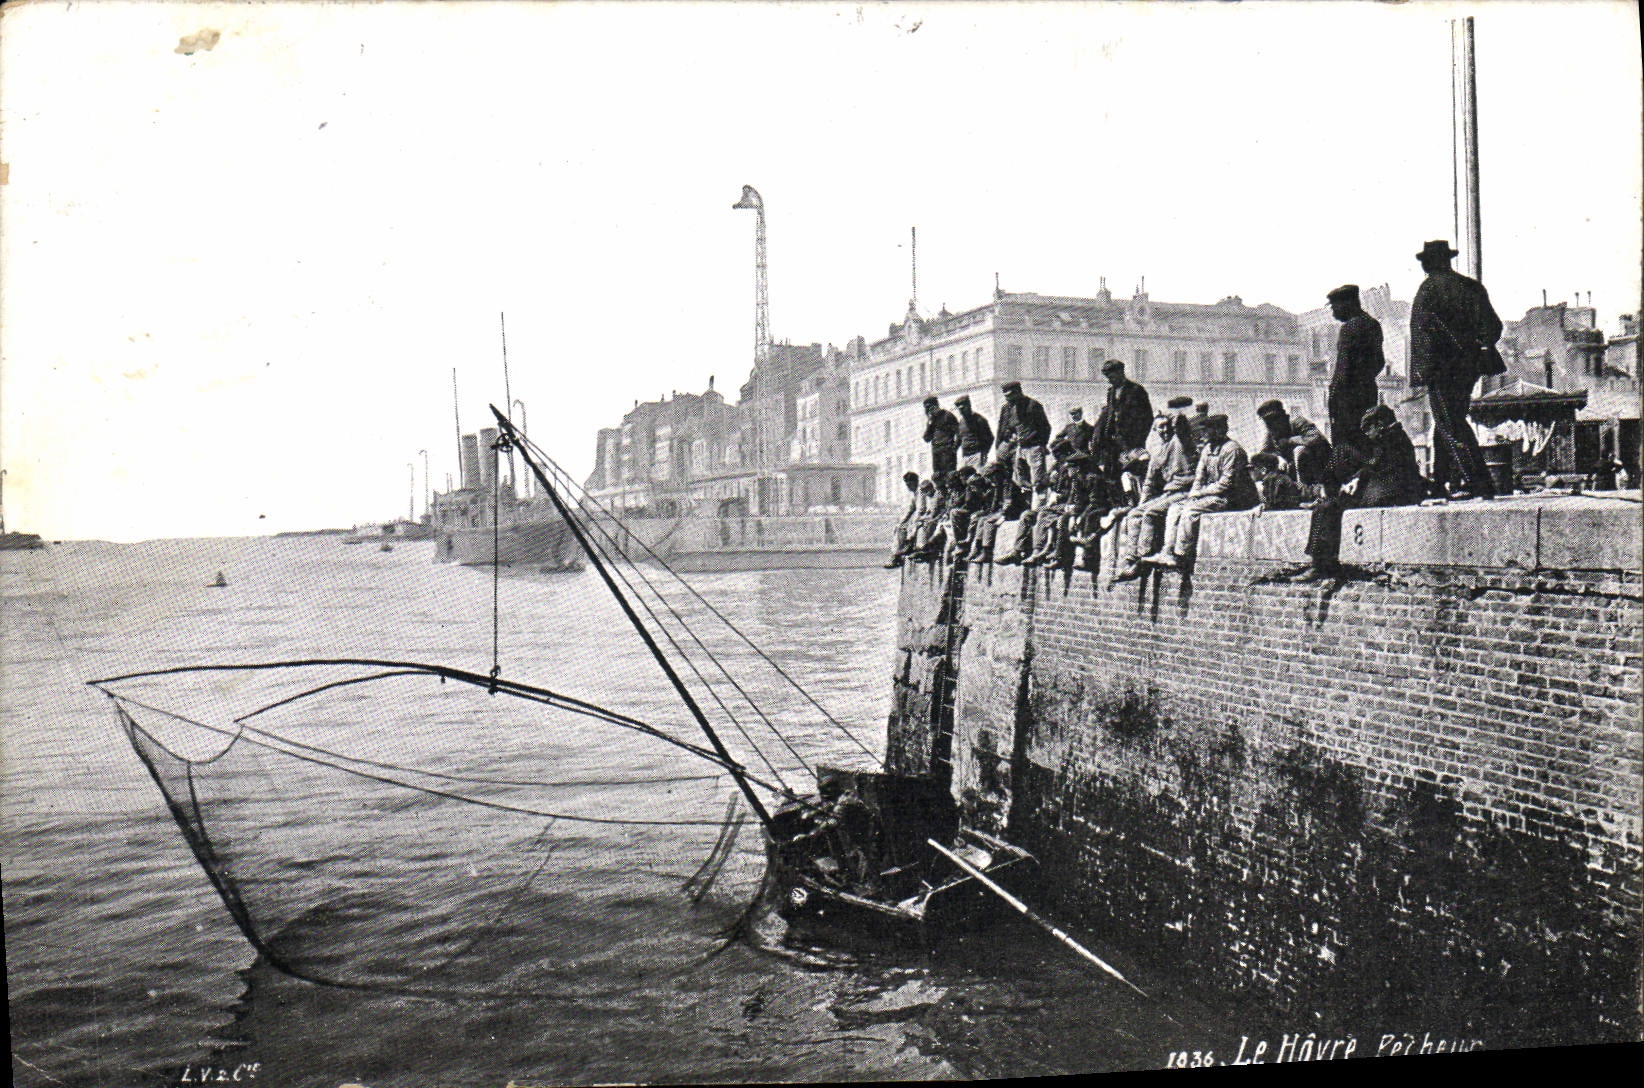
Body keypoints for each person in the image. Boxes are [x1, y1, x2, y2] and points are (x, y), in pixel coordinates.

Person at [1409, 239, 1506, 500]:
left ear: (1433, 261)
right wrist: (1473, 347)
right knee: (1446, 422)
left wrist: (1424, 374)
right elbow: (1494, 327)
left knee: (1451, 423)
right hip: (1468, 368)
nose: (1423, 266)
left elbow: (1422, 337)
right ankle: (1440, 482)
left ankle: (1481, 483)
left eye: (1425, 261)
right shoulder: (1471, 287)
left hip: (1440, 371)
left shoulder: (1428, 290)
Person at [1291, 405, 1426, 581]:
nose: (1367, 435)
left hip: (1388, 493)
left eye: (1368, 429)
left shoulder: (1390, 438)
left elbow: (1377, 468)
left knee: (1328, 507)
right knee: (1329, 502)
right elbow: (1376, 466)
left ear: (1379, 425)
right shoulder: (1394, 437)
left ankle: (1321, 565)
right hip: (1386, 490)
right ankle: (1322, 560)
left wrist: (1355, 483)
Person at [1142, 414, 1257, 569]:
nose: (1204, 434)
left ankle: (1181, 554)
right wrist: (1194, 493)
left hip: (1230, 497)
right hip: (1210, 495)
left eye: (1208, 430)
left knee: (1190, 511)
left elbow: (1226, 483)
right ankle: (1167, 551)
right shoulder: (1208, 449)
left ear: (1219, 430)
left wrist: (1200, 494)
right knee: (1176, 508)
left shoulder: (1232, 450)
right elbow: (1199, 477)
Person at [1112, 414, 1197, 582]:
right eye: (1161, 427)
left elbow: (1183, 427)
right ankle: (1130, 560)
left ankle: (1143, 559)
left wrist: (1176, 415)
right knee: (1135, 514)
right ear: (1155, 430)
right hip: (1168, 493)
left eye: (1167, 426)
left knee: (1151, 513)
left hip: (1184, 491)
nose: (1165, 430)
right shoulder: (1158, 453)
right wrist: (1141, 504)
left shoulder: (1180, 441)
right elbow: (1149, 483)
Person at [1326, 284, 1385, 468]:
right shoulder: (1373, 324)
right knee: (1366, 438)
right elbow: (1380, 362)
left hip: (1347, 397)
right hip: (1367, 391)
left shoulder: (1349, 328)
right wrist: (1364, 378)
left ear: (1348, 303)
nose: (1334, 312)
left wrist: (1334, 396)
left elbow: (1342, 369)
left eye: (1335, 306)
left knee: (1347, 445)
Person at [1256, 400, 1333, 500]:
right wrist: (1278, 458)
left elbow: (1316, 438)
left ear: (1284, 416)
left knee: (1299, 450)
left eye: (1275, 419)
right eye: (1268, 422)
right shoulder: (1272, 433)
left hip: (1318, 470)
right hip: (1292, 474)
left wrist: (1289, 441)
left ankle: (1309, 493)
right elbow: (1263, 454)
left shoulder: (1298, 422)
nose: (1272, 425)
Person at [1093, 359, 1153, 468]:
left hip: (1132, 443)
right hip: (1113, 444)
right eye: (1108, 378)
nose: (1109, 381)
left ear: (1121, 373)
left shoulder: (1137, 390)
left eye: (1112, 377)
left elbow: (1147, 419)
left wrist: (1137, 442)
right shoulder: (1111, 392)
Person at [995, 380, 1051, 493]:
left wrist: (1040, 444)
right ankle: (1025, 506)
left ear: (1018, 392)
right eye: (1006, 396)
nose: (1007, 399)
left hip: (1034, 447)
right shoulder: (1007, 408)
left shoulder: (1033, 405)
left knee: (1038, 480)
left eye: (1010, 395)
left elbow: (1045, 427)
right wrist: (1002, 443)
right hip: (1018, 448)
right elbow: (1002, 428)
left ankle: (1039, 508)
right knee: (1021, 480)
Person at [884, 470, 922, 568]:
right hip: (918, 518)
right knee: (900, 527)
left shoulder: (921, 492)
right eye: (907, 485)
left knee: (904, 529)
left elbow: (921, 510)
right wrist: (902, 522)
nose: (908, 487)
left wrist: (913, 522)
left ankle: (896, 556)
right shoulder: (915, 494)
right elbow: (910, 510)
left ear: (915, 482)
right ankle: (897, 555)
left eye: (910, 484)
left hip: (923, 518)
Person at [922, 396, 960, 479]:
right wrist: (930, 423)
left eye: (930, 407)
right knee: (938, 477)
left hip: (947, 451)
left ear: (936, 405)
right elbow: (926, 438)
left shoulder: (948, 416)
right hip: (936, 452)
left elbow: (959, 433)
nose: (928, 411)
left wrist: (954, 448)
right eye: (926, 409)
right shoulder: (932, 420)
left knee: (950, 476)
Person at [954, 394, 994, 470]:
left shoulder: (979, 420)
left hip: (977, 455)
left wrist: (984, 452)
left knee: (978, 477)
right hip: (965, 456)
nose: (961, 411)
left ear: (969, 405)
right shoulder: (961, 422)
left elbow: (990, 437)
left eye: (963, 408)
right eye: (960, 409)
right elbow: (959, 439)